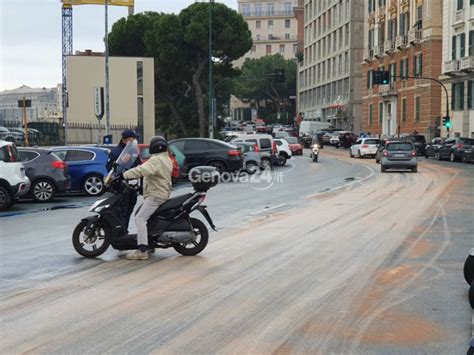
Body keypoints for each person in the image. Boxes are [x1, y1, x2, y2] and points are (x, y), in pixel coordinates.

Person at [122, 136, 173, 260]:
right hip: (160, 192)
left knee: (140, 218)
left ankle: (142, 250)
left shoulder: (156, 160)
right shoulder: (166, 158)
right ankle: (150, 243)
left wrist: (125, 175)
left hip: (155, 195)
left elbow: (143, 170)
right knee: (145, 216)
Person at [106, 129, 141, 233]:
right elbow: (110, 169)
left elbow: (138, 166)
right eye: (132, 139)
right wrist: (121, 163)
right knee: (122, 210)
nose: (135, 141)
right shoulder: (116, 152)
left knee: (129, 209)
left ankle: (125, 229)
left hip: (132, 186)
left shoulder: (134, 152)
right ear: (125, 140)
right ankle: (120, 232)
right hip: (121, 186)